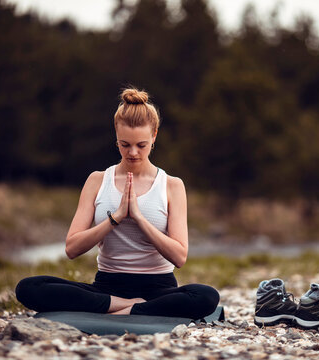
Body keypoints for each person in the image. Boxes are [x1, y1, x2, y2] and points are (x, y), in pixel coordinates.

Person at [15, 88, 220, 320]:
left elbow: (180, 257)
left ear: (154, 136)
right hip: (107, 287)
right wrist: (115, 218)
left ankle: (123, 309)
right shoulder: (97, 180)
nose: (132, 153)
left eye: (141, 145)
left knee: (206, 296)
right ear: (116, 137)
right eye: (125, 144)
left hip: (158, 291)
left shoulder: (172, 185)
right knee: (29, 288)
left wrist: (139, 219)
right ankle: (126, 306)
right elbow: (72, 249)